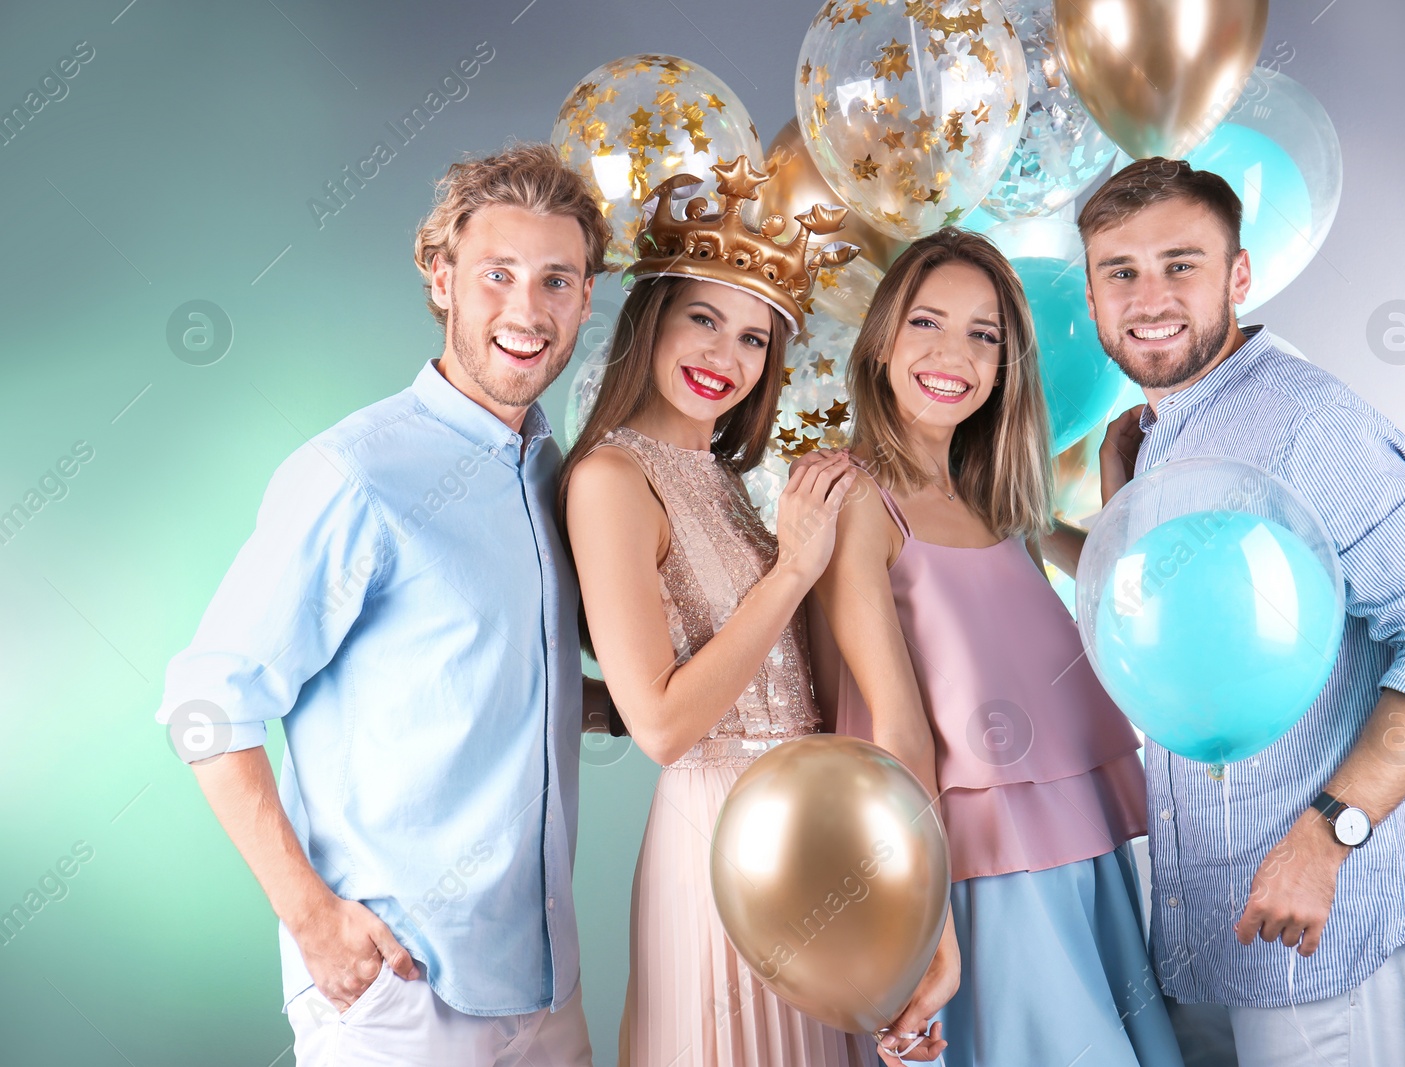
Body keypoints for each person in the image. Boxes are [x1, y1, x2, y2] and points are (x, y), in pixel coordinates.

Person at [155, 142, 607, 1066]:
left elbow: (492, 679)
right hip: (401, 990)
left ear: (587, 299)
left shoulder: (557, 474)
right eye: (497, 275)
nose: (527, 310)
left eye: (556, 280)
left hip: (547, 982)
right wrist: (312, 919)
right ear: (440, 279)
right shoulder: (353, 473)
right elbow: (205, 705)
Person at [1082, 157, 1405, 1067]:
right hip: (1206, 926)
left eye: (1180, 264)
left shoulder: (1309, 421)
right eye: (1120, 270)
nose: (1148, 295)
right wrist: (1103, 513)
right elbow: (1188, 615)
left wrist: (1330, 832)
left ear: (1239, 276)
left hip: (1323, 923)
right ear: (1090, 294)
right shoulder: (1163, 435)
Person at [806, 227, 1184, 1066]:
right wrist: (925, 920)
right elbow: (894, 738)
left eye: (985, 335)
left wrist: (1124, 489)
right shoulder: (860, 501)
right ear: (882, 341)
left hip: (1083, 861)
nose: (956, 354)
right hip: (975, 877)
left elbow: (1119, 595)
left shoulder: (1000, 502)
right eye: (927, 323)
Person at [560, 157, 874, 1067]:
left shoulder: (728, 482)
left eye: (753, 339)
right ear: (651, 319)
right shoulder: (611, 478)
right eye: (704, 318)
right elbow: (660, 724)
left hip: (806, 830)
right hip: (718, 834)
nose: (723, 358)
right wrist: (796, 569)